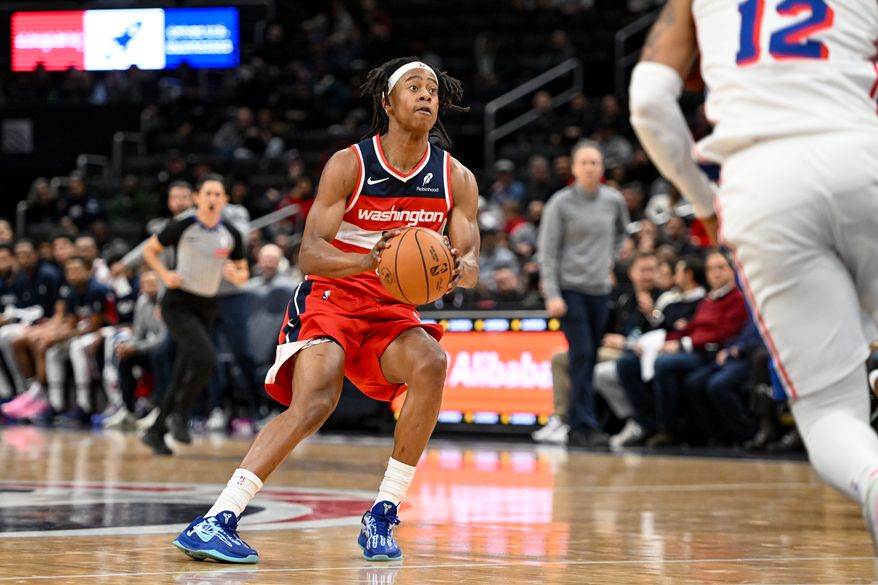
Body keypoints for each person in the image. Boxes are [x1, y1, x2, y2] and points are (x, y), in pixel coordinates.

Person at [171, 57, 479, 564]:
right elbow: (309, 252)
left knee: (431, 362)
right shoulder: (351, 164)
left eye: (433, 90)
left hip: (391, 307)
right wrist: (372, 259)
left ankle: (383, 513)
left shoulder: (455, 178)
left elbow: (471, 263)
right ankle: (218, 517)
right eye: (415, 87)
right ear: (387, 102)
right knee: (316, 398)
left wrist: (451, 265)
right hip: (333, 295)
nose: (427, 95)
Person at [628, 0, 878, 549]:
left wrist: (703, 200)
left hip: (762, 183)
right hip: (862, 151)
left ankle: (874, 481)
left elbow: (647, 103)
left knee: (832, 412)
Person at [140, 174, 248, 455]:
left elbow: (244, 273)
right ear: (198, 198)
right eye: (207, 194)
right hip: (178, 303)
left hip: (207, 306)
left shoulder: (231, 234)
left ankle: (156, 431)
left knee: (182, 370)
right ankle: (180, 416)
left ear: (225, 200)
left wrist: (235, 276)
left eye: (218, 194)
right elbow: (150, 251)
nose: (212, 199)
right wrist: (165, 275)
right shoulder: (183, 226)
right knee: (206, 360)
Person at [537, 140, 629, 448]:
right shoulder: (560, 204)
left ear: (602, 168)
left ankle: (580, 422)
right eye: (584, 162)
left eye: (595, 163)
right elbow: (547, 252)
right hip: (569, 289)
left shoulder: (613, 200)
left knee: (588, 360)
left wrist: (610, 260)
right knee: (582, 354)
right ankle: (582, 424)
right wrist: (552, 293)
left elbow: (622, 232)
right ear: (574, 168)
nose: (590, 167)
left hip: (599, 289)